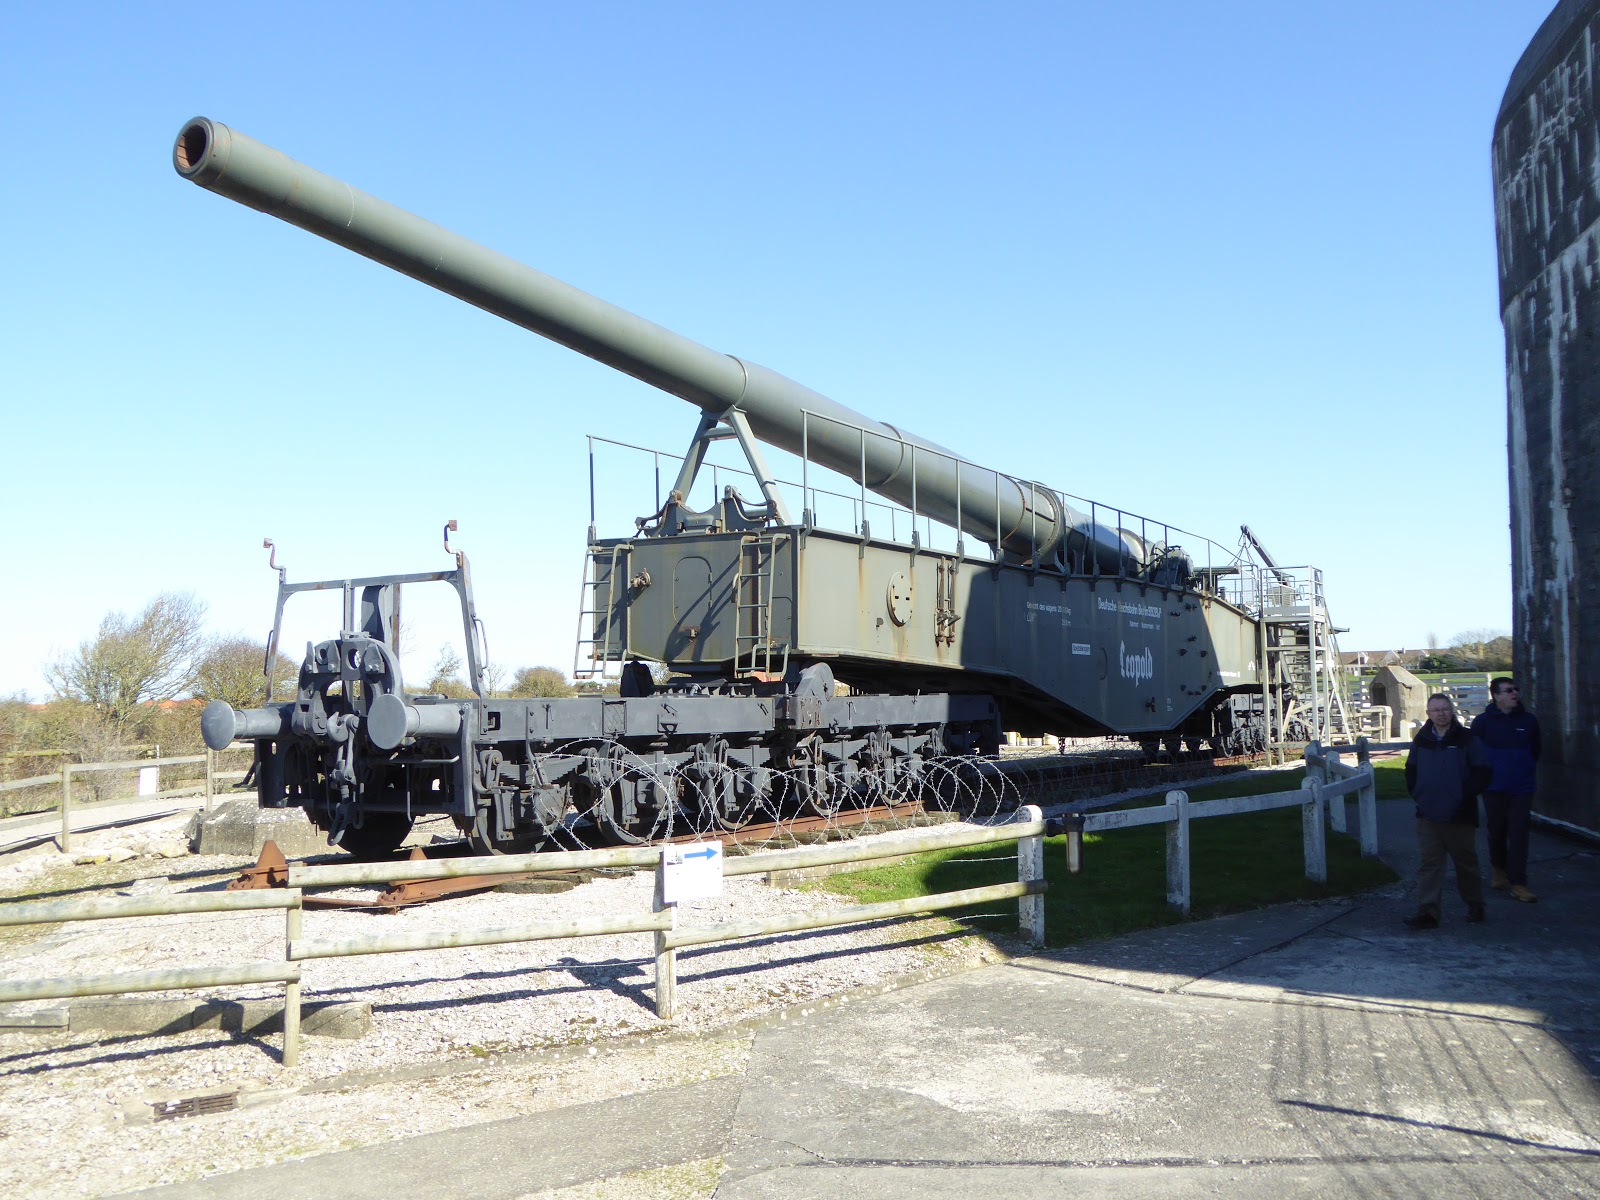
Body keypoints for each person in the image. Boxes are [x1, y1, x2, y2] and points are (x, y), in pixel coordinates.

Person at [1403, 694, 1491, 929]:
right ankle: (1428, 912)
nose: (1441, 713)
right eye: (1436, 710)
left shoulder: (1467, 739)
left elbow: (1482, 771)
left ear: (1451, 711)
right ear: (1428, 714)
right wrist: (1419, 794)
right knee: (1430, 864)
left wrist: (1462, 795)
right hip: (1428, 814)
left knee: (1466, 863)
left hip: (1459, 814)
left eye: (1445, 709)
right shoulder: (1421, 740)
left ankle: (1475, 905)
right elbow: (1410, 770)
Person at [1471, 677, 1543, 902]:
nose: (1514, 694)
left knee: (1519, 833)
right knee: (1497, 832)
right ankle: (1499, 869)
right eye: (1508, 690)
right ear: (1496, 696)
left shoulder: (1529, 721)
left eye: (1516, 689)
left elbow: (1536, 750)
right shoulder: (1482, 722)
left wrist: (1525, 770)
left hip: (1522, 788)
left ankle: (1519, 883)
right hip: (1494, 788)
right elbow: (1474, 753)